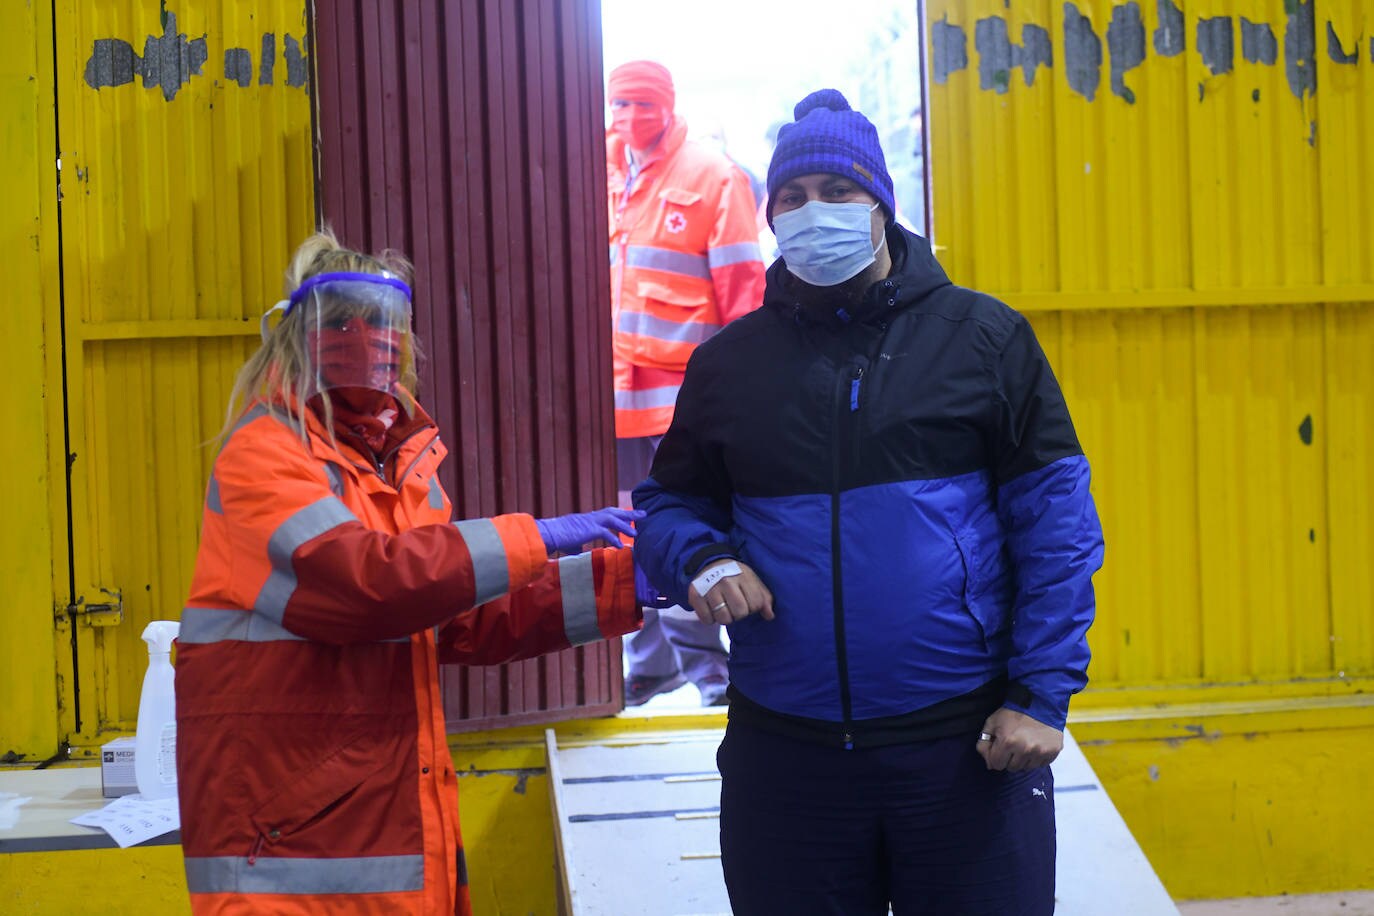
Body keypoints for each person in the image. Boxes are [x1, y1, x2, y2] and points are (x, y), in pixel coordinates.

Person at [633, 90, 1105, 915]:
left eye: (839, 192)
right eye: (792, 198)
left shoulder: (984, 340)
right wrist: (703, 558)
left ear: (881, 204)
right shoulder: (729, 367)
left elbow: (1056, 527)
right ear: (771, 215)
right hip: (786, 760)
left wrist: (1040, 693)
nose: (815, 213)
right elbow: (668, 506)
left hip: (963, 752)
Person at [174, 231, 649, 915]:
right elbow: (366, 585)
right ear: (297, 335)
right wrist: (535, 534)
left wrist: (625, 582)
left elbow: (454, 613)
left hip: (385, 836)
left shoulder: (397, 471)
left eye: (384, 325)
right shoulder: (264, 456)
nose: (367, 341)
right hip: (287, 861)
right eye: (341, 322)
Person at [606, 60, 766, 707]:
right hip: (612, 402)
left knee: (685, 537)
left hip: (682, 408)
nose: (631, 118)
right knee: (626, 539)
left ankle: (711, 676)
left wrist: (750, 395)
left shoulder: (712, 176)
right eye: (620, 105)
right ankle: (651, 664)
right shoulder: (600, 171)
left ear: (669, 106)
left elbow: (744, 296)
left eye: (644, 105)